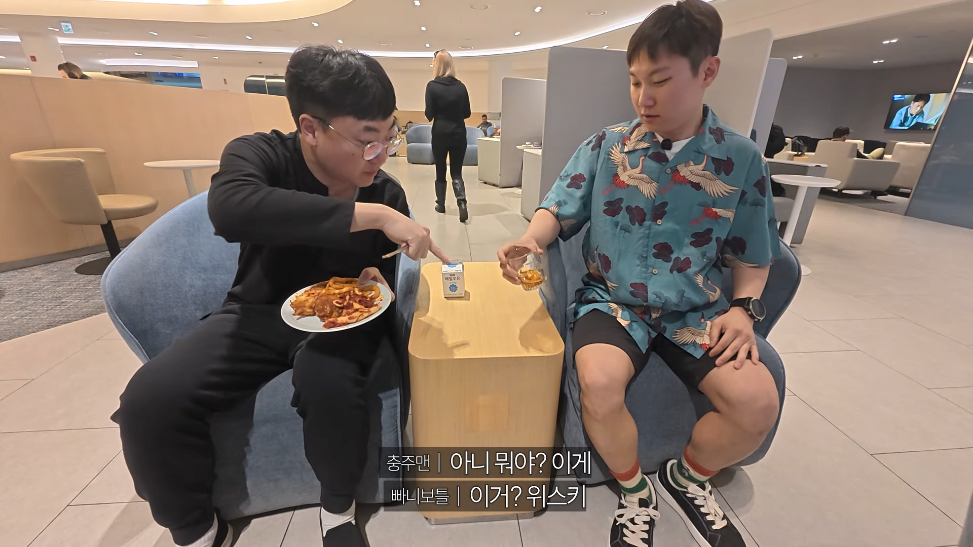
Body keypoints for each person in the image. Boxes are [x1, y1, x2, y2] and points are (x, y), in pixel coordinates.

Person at [112, 45, 447, 547]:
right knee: (149, 399)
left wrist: (376, 272)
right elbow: (233, 209)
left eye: (389, 136)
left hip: (343, 317)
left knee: (328, 380)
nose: (380, 155)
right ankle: (197, 528)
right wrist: (374, 217)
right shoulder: (261, 154)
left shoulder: (384, 189)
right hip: (258, 310)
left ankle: (338, 508)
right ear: (310, 128)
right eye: (366, 141)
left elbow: (381, 268)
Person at [498, 2, 781, 546]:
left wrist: (745, 310)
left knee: (757, 403)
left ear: (708, 72)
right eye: (634, 81)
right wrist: (531, 239)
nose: (643, 97)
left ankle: (688, 476)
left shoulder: (741, 159)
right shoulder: (607, 146)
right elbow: (558, 206)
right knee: (599, 383)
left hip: (694, 308)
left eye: (660, 80)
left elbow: (753, 252)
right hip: (612, 300)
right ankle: (634, 491)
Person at [425, 50, 472, 223]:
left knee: (440, 169)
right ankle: (462, 203)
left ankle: (441, 204)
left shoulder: (432, 86)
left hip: (440, 133)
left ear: (437, 65)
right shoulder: (461, 87)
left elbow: (429, 114)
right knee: (456, 171)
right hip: (459, 133)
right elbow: (467, 113)